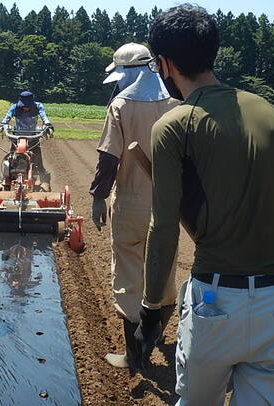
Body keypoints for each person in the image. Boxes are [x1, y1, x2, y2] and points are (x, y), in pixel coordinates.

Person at [138, 4, 274, 405]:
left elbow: (162, 228)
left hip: (217, 301)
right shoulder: (268, 111)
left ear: (164, 63)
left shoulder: (175, 125)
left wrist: (150, 307)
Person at [89, 42, 180, 374]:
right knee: (164, 274)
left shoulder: (121, 105)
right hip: (167, 207)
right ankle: (153, 339)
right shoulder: (175, 103)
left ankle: (134, 356)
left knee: (128, 276)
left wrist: (98, 197)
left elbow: (109, 157)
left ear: (127, 73)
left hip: (129, 203)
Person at [0, 91, 53, 179]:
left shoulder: (38, 106)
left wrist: (47, 124)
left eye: (28, 106)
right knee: (12, 157)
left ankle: (42, 173)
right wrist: (3, 125)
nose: (25, 108)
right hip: (17, 138)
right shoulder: (14, 108)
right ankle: (7, 175)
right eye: (24, 106)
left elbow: (44, 116)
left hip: (33, 138)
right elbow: (6, 118)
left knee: (38, 158)